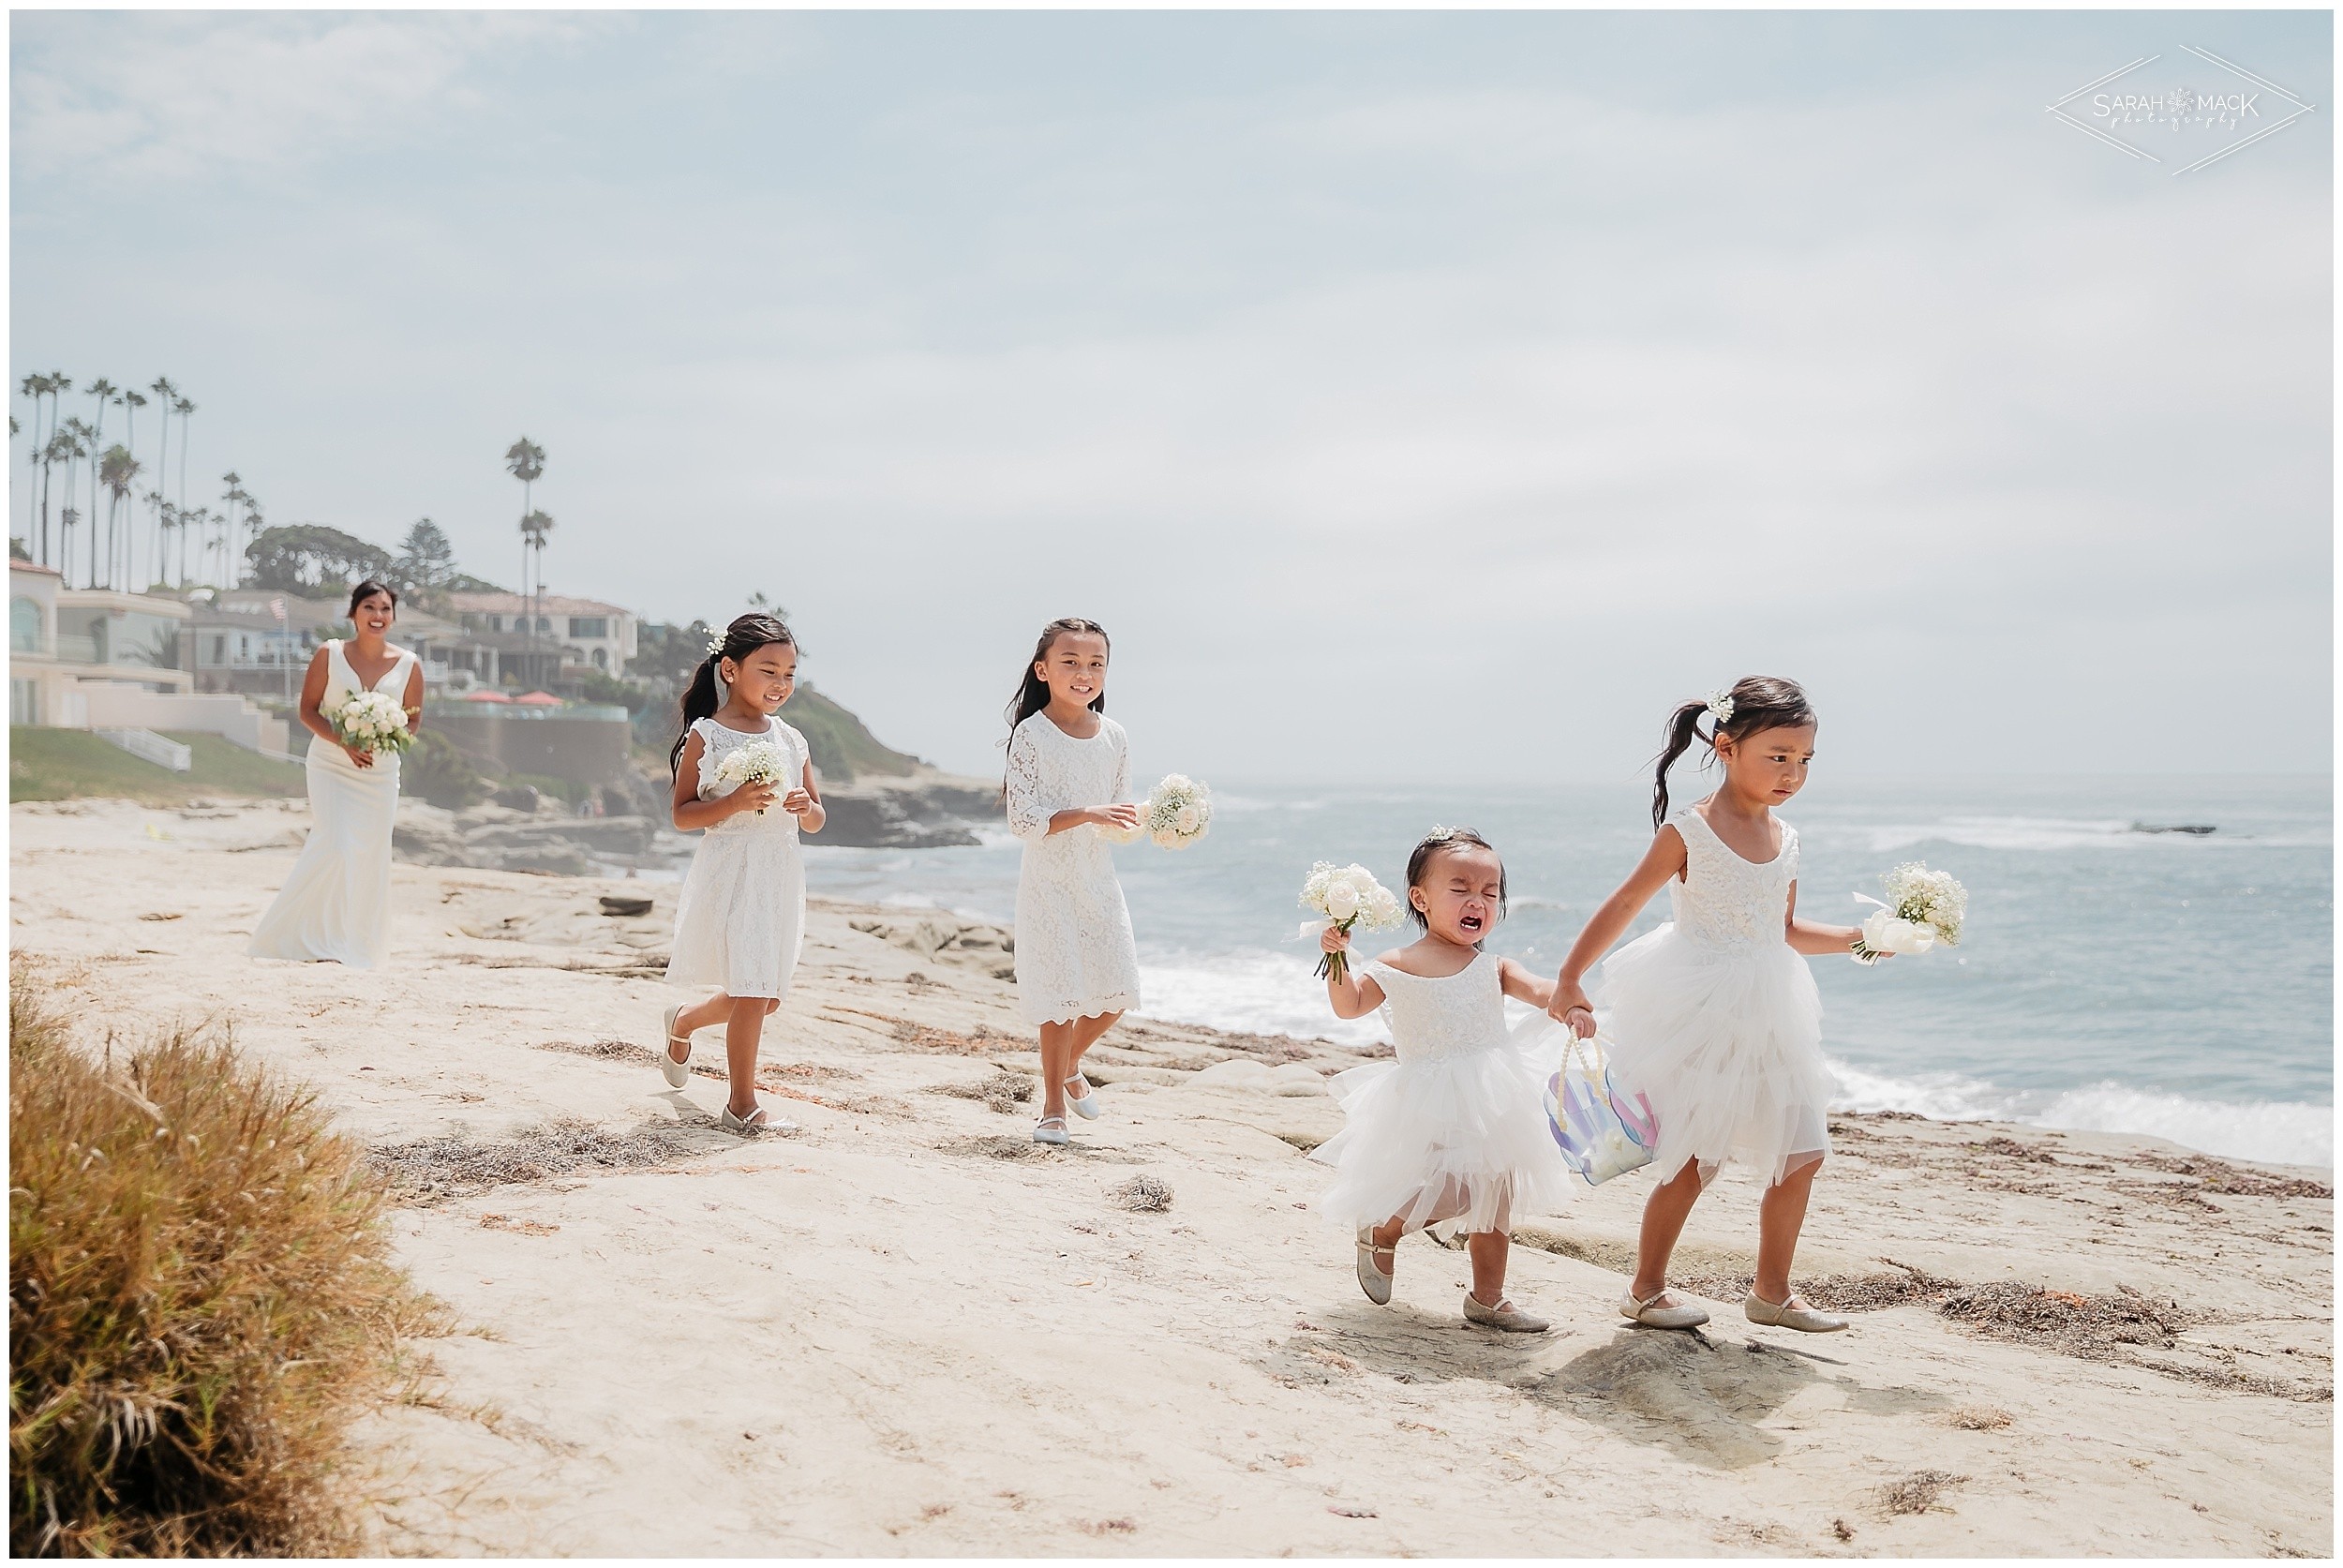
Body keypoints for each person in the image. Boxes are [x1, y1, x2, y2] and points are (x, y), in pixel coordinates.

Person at [1547, 676, 1878, 1334]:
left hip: (1774, 1009)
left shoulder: (1786, 837)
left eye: (1805, 759)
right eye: (1778, 755)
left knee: (1802, 1151)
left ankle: (1772, 1292)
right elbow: (1623, 904)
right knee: (1698, 1156)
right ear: (1726, 747)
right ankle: (1644, 1288)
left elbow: (1781, 929)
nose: (1792, 772)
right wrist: (1568, 977)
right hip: (1703, 1006)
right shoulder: (1690, 830)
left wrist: (1860, 938)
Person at [1313, 828, 1574, 1333]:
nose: (1478, 901)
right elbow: (1349, 1007)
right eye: (1460, 889)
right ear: (1421, 898)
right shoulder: (1395, 964)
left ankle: (1488, 1298)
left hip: (1493, 1092)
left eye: (1490, 892)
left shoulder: (1493, 967)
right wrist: (1339, 957)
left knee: (1495, 1193)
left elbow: (1542, 990)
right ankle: (1383, 1228)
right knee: (1453, 1189)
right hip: (1429, 1097)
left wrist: (1572, 1001)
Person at [660, 614, 825, 1134]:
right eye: (769, 670)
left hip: (779, 871)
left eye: (790, 674)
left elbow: (818, 818)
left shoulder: (791, 739)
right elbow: (682, 815)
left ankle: (683, 1021)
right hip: (731, 869)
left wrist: (803, 807)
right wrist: (731, 802)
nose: (780, 684)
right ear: (730, 669)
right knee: (752, 991)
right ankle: (741, 1106)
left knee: (766, 996)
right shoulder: (706, 735)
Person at [1002, 617, 1142, 1145]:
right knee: (1059, 998)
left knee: (1118, 991)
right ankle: (1052, 1109)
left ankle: (1068, 1065)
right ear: (1044, 670)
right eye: (1071, 662)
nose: (1084, 673)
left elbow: (1119, 813)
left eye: (1095, 664)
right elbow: (1023, 821)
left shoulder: (1116, 737)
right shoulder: (1030, 735)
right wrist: (1085, 813)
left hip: (1098, 879)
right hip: (1048, 882)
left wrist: (1160, 820)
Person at [248, 580, 422, 967]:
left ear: (393, 617)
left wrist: (388, 737)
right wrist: (344, 742)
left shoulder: (409, 663)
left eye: (385, 609)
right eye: (369, 608)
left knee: (371, 855)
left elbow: (413, 719)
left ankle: (355, 946)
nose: (378, 616)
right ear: (353, 614)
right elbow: (308, 710)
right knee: (337, 844)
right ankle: (299, 938)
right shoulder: (330, 653)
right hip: (330, 765)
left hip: (379, 773)